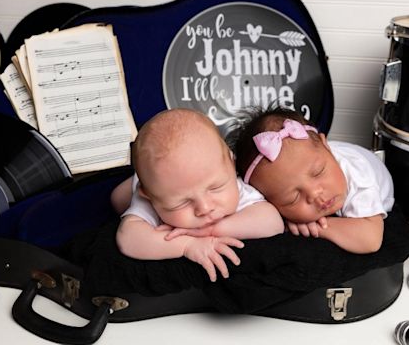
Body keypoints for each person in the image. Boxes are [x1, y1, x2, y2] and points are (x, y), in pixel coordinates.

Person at [113, 108, 284, 282]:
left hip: (166, 181)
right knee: (118, 198)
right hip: (142, 184)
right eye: (182, 203)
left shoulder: (232, 182)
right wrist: (187, 245)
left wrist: (209, 230)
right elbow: (128, 238)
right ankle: (134, 182)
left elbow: (272, 222)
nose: (205, 208)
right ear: (149, 196)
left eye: (215, 188)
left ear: (232, 164)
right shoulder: (155, 195)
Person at [231, 107, 394, 254]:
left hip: (369, 162)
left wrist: (318, 227)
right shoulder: (264, 188)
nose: (315, 194)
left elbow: (370, 239)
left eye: (318, 173)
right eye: (292, 198)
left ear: (326, 145)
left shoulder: (358, 173)